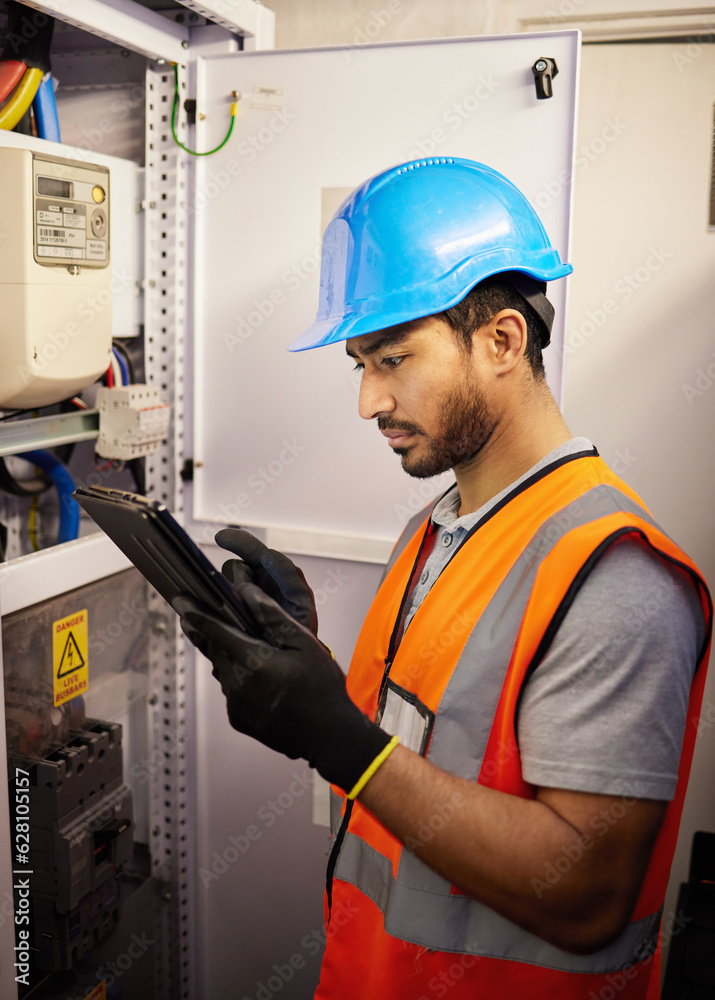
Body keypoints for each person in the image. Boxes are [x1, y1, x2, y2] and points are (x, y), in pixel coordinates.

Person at [175, 158, 712, 998]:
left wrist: (336, 739)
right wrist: (305, 671)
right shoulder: (438, 528)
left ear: (501, 341)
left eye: (391, 359)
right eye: (360, 364)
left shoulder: (613, 573)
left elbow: (585, 894)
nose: (367, 401)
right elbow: (434, 748)